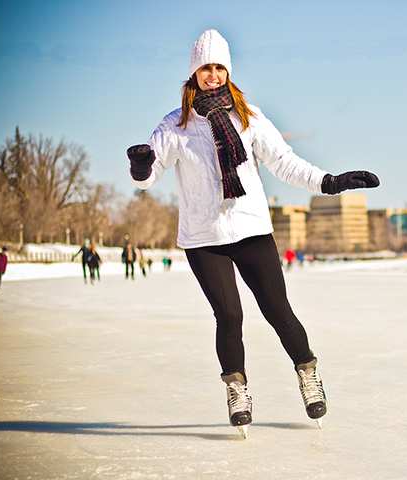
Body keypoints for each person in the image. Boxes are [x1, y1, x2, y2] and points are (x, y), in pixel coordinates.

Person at [126, 29, 380, 437]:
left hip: (250, 228)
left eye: (219, 67)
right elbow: (149, 175)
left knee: (278, 310)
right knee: (228, 315)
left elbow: (285, 162)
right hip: (204, 237)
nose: (212, 75)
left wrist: (329, 183)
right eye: (205, 68)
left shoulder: (249, 117)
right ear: (194, 74)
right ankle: (237, 389)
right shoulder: (176, 125)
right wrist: (141, 166)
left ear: (227, 71)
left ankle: (308, 373)